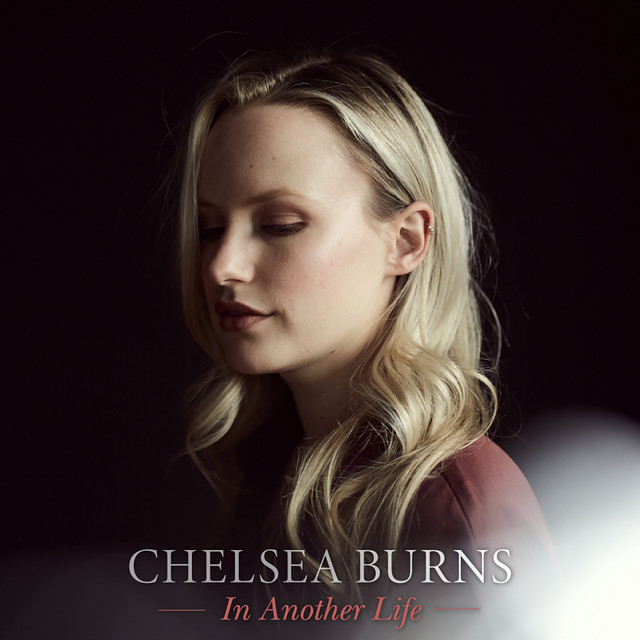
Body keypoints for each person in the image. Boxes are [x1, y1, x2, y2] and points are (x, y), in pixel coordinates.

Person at [176, 49, 552, 626]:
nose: (221, 265)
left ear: (406, 241)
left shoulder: (452, 507)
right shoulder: (259, 475)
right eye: (210, 228)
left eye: (279, 225)